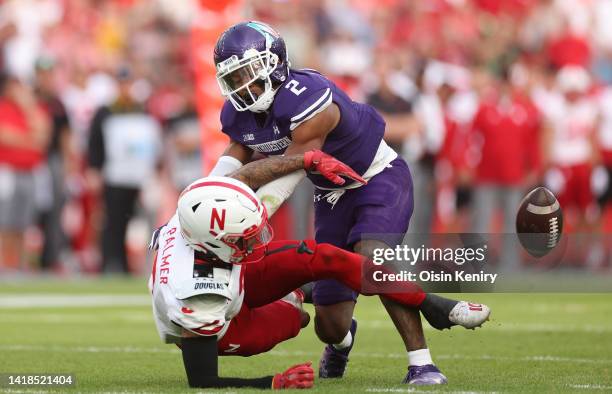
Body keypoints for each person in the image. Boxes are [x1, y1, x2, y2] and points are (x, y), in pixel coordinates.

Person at [207, 21, 491, 384]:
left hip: (375, 177)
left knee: (371, 261)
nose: (241, 86)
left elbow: (290, 172)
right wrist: (206, 194)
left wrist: (249, 216)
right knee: (330, 324)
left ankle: (421, 362)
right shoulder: (239, 112)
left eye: (247, 73)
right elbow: (237, 154)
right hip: (330, 192)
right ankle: (342, 341)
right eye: (233, 78)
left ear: (273, 63)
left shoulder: (306, 95)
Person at [149, 176, 487, 389]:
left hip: (230, 269)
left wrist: (303, 159)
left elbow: (245, 177)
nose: (256, 243)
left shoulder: (196, 211)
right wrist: (273, 383)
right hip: (225, 323)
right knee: (296, 317)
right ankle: (308, 299)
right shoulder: (194, 296)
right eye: (245, 239)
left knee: (322, 255)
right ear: (216, 241)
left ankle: (430, 304)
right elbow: (202, 381)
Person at [87, 66, 162, 273]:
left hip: (139, 176)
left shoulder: (142, 110)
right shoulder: (105, 111)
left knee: (139, 222)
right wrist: (94, 168)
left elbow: (153, 142)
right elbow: (95, 143)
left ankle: (134, 266)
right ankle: (112, 263)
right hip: (115, 175)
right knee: (114, 222)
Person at [0, 73, 50, 270]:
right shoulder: (3, 108)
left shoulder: (33, 109)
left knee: (24, 222)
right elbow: (5, 136)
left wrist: (28, 107)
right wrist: (30, 139)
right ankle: (4, 265)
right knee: (5, 222)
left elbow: (43, 135)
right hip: (8, 172)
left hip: (30, 172)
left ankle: (20, 266)